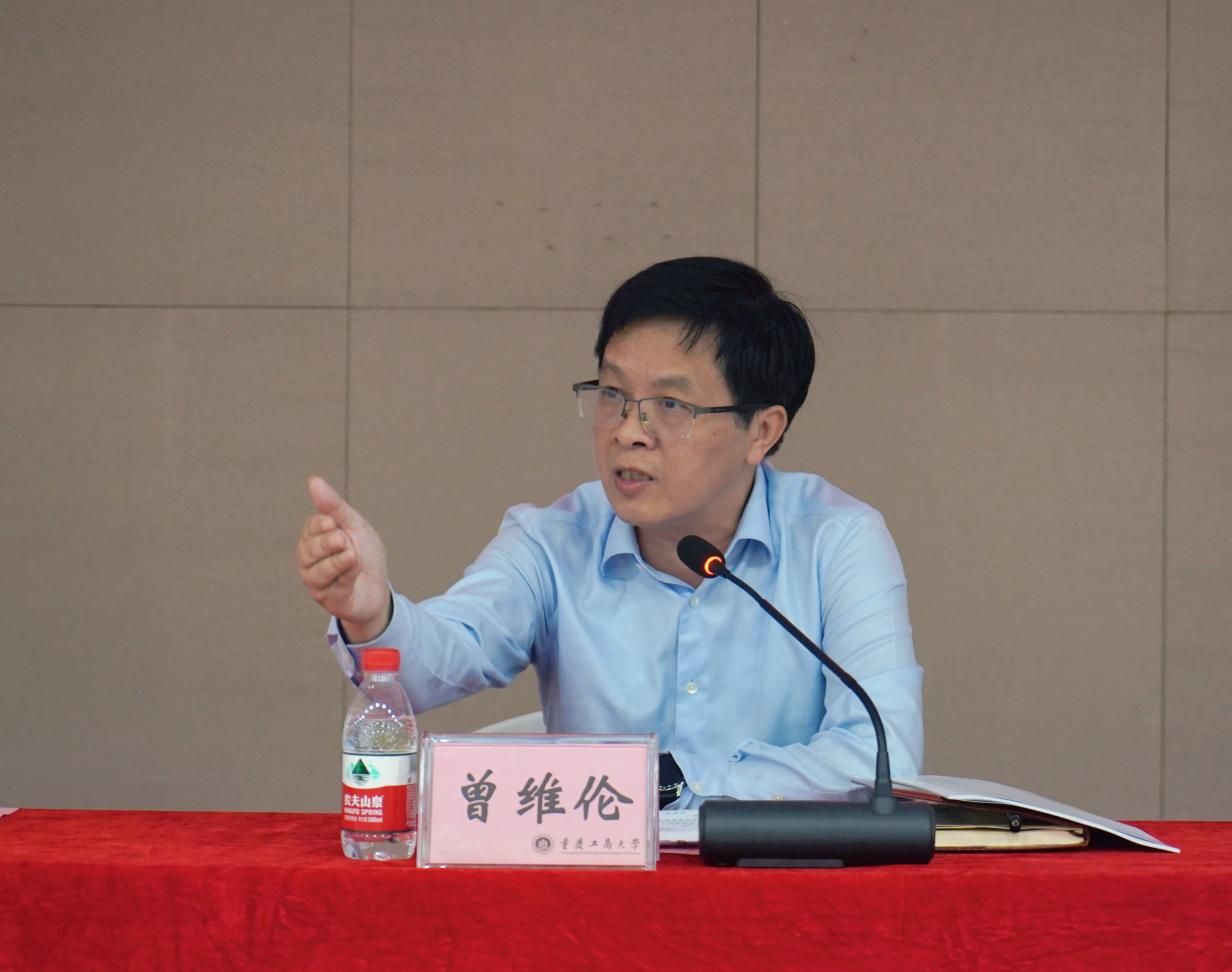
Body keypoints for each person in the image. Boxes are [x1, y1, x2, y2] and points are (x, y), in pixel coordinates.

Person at [297, 256, 923, 808]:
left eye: (670, 405)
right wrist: (372, 616)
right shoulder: (552, 541)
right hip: (593, 891)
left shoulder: (837, 542)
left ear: (761, 431)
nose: (628, 431)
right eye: (613, 395)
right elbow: (431, 668)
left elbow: (880, 755)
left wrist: (673, 785)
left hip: (778, 888)